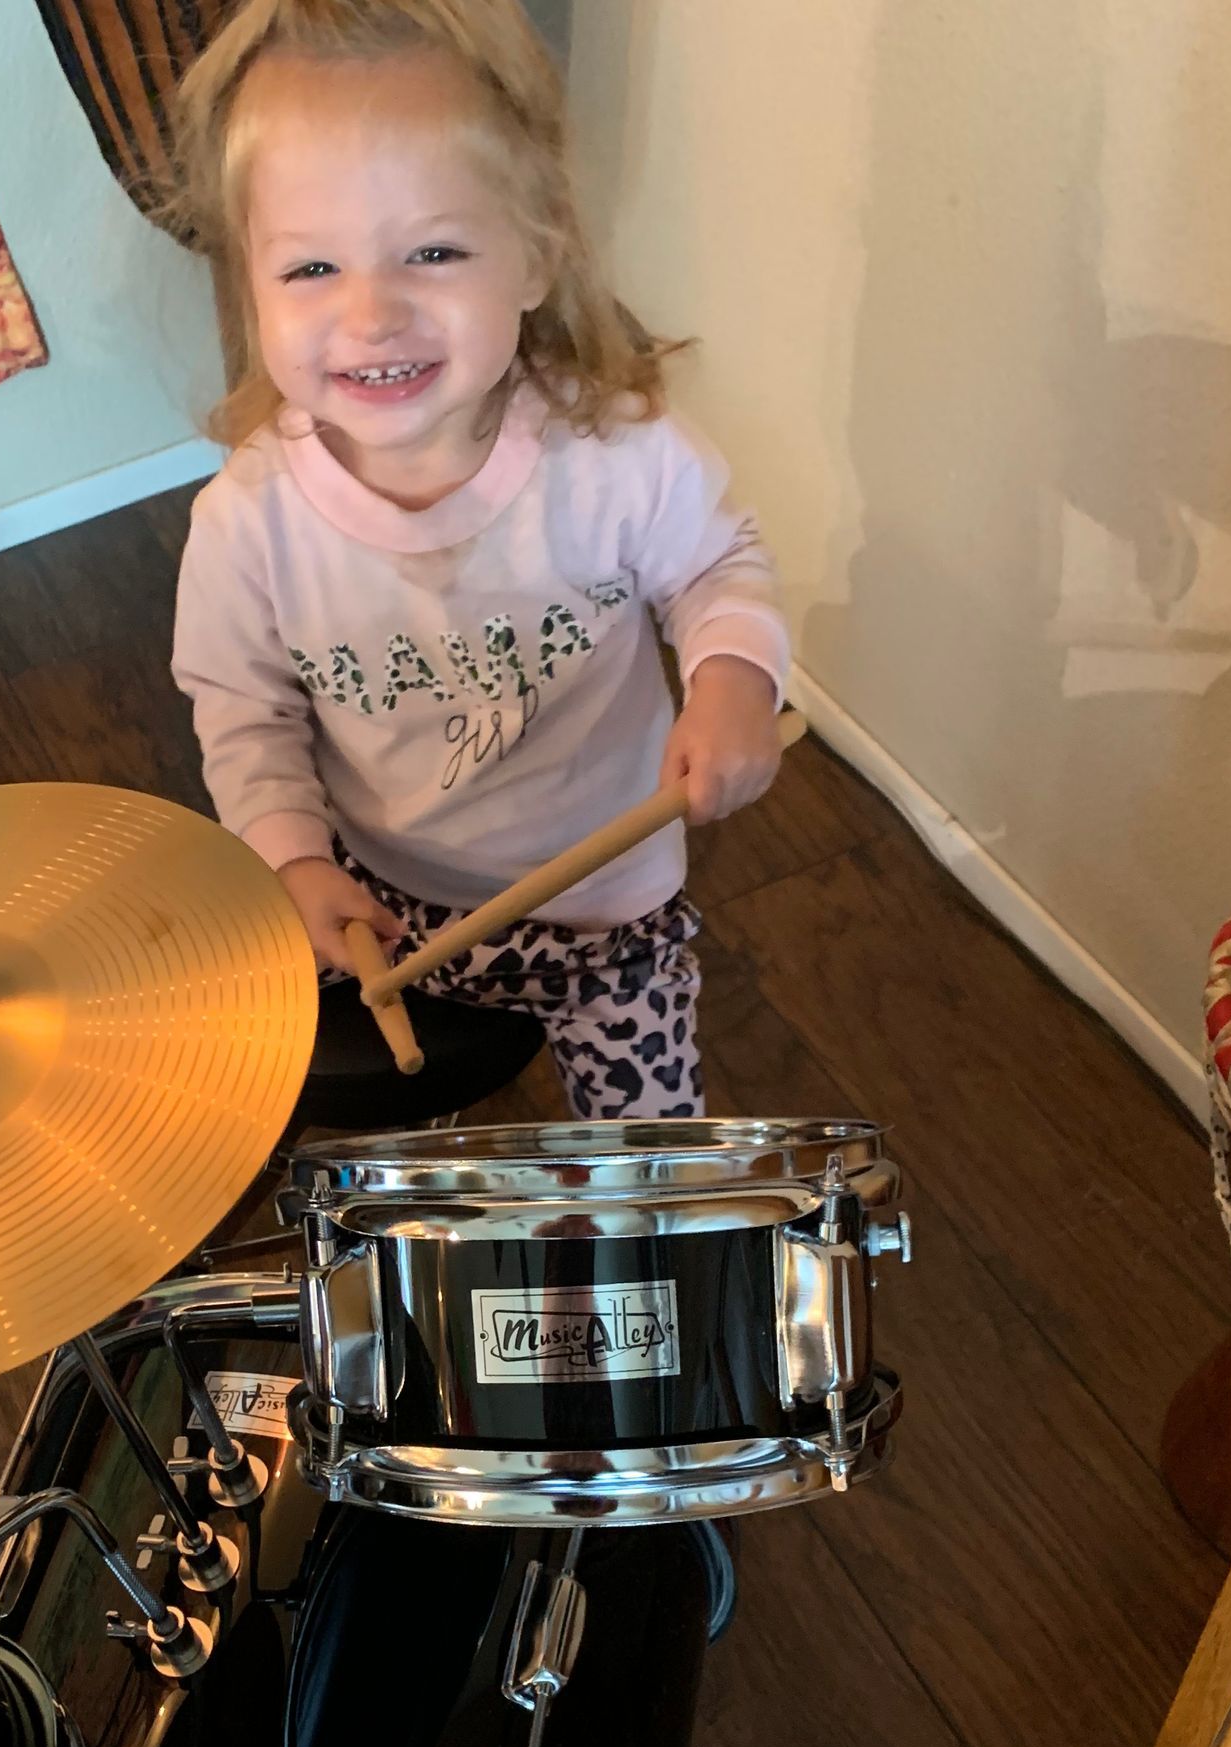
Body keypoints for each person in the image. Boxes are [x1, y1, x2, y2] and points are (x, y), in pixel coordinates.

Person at [169, 0, 789, 1117]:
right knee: (276, 1101)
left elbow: (716, 565)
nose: (373, 313)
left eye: (435, 252)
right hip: (383, 899)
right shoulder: (246, 522)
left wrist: (736, 676)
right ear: (248, 281)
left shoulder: (615, 454)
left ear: (536, 256)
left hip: (607, 906)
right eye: (311, 267)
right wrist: (292, 858)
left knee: (652, 1168)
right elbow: (244, 709)